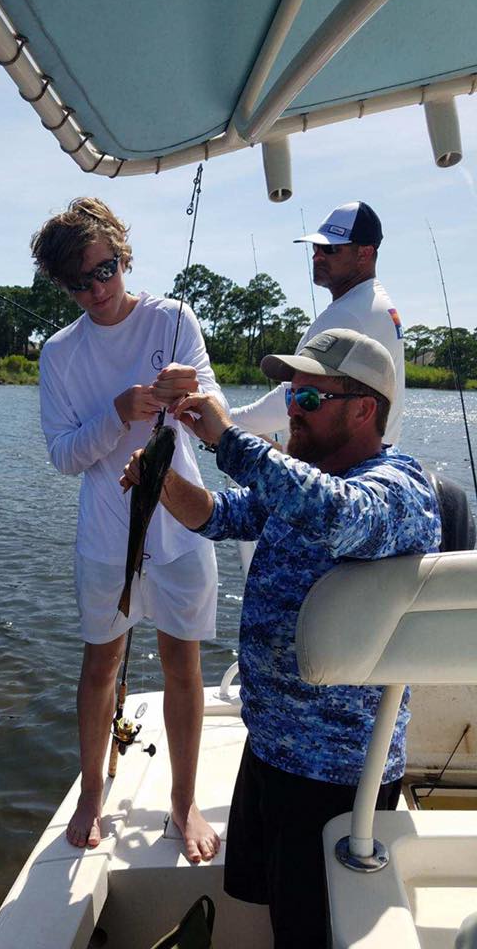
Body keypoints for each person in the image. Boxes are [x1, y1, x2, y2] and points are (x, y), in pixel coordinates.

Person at [121, 328, 441, 947]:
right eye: (291, 395)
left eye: (310, 401)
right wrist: (162, 480)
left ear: (363, 408)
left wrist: (224, 436)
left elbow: (339, 516)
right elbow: (219, 516)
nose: (292, 408)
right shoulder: (302, 477)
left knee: (310, 931)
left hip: (336, 776)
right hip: (268, 749)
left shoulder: (400, 491)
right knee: (265, 908)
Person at [32, 197, 227, 862]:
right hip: (106, 537)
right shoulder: (60, 354)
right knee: (100, 664)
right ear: (61, 285)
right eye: (79, 282)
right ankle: (91, 791)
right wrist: (117, 414)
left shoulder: (173, 320)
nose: (97, 289)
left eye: (105, 269)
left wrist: (193, 396)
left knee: (183, 664)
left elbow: (215, 417)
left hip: (180, 529)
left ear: (121, 251)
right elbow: (63, 455)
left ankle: (183, 800)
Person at [232, 201, 405, 446]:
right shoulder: (376, 303)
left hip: (340, 470)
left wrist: (225, 421)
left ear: (364, 253)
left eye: (330, 249)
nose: (317, 256)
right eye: (316, 247)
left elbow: (297, 396)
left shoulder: (349, 314)